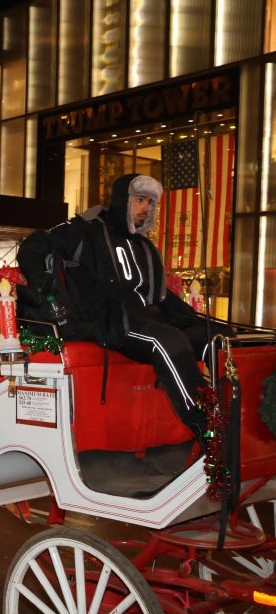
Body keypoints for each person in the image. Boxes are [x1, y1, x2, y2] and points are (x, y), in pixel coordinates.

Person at [68, 173, 229, 438]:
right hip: (113, 321)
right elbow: (38, 247)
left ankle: (237, 417)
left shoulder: (145, 247)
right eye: (140, 199)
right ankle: (209, 429)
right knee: (167, 339)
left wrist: (193, 318)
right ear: (123, 200)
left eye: (151, 202)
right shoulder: (89, 232)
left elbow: (160, 296)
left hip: (150, 318)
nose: (146, 207)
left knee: (218, 337)